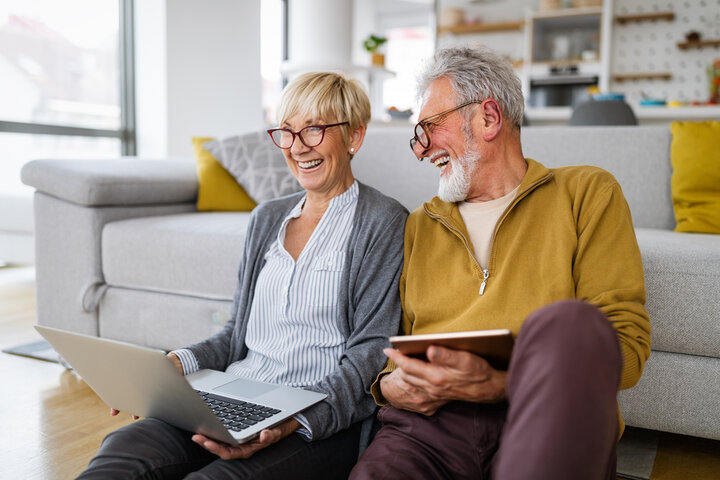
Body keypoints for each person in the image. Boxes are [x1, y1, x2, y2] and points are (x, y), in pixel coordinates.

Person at [78, 72, 408, 479]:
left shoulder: (383, 221)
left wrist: (290, 420)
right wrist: (175, 365)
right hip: (235, 395)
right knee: (126, 449)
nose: (297, 146)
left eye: (315, 130)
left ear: (354, 137)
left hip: (315, 423)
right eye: (286, 132)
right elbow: (236, 335)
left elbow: (369, 356)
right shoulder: (267, 217)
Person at [350, 46, 652, 480]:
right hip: (429, 428)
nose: (422, 150)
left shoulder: (586, 193)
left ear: (488, 117)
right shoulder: (420, 223)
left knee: (572, 324)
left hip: (545, 414)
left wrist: (500, 385)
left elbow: (625, 350)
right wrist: (390, 386)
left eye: (429, 128)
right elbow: (392, 348)